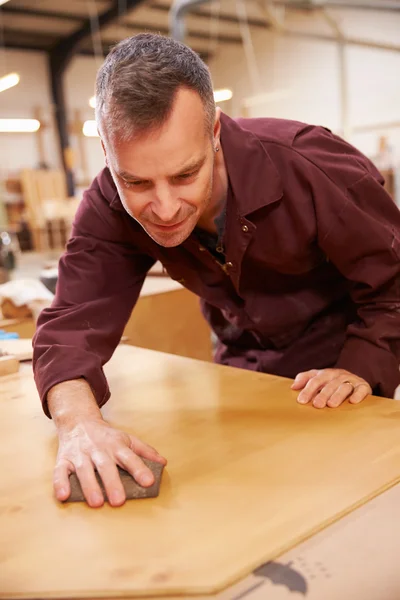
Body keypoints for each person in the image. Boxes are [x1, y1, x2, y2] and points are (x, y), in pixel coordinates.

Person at [33, 33, 400, 508]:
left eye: (185, 175)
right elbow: (70, 326)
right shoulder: (107, 203)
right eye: (137, 181)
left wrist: (361, 363)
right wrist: (78, 423)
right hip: (242, 378)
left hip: (343, 379)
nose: (164, 208)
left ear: (215, 134)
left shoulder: (310, 164)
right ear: (105, 152)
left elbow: (394, 282)